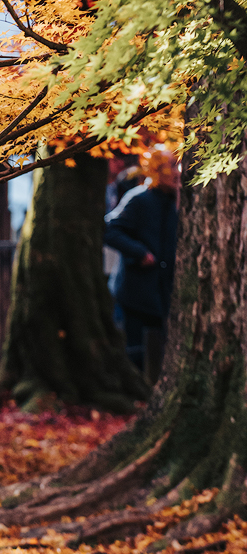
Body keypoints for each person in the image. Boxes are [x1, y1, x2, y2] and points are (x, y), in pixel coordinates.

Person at [104, 148, 179, 384]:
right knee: (136, 349)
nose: (177, 172)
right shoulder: (139, 198)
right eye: (172, 165)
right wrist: (140, 253)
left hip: (164, 292)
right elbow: (111, 229)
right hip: (136, 291)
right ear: (157, 169)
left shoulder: (178, 201)